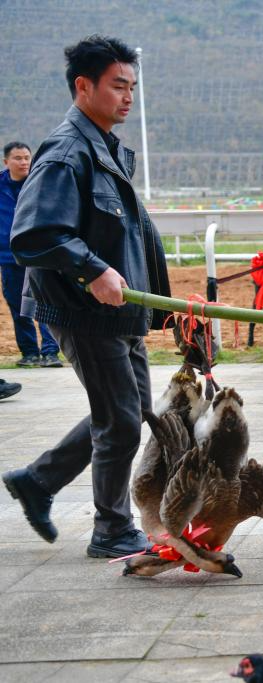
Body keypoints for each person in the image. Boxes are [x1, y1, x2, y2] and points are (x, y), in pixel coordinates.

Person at [2, 35, 172, 557]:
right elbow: (33, 235)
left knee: (132, 410)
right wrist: (92, 270)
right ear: (84, 86)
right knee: (120, 420)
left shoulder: (105, 148)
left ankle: (38, 480)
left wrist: (161, 306)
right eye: (118, 86)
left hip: (120, 310)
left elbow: (128, 234)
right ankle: (111, 530)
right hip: (82, 309)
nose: (128, 97)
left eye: (132, 87)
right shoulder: (66, 152)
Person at [2, 142, 62, 369]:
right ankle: (29, 353)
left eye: (27, 157)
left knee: (44, 303)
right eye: (18, 158)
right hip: (9, 258)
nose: (24, 162)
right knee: (18, 306)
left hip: (40, 255)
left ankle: (50, 352)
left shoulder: (40, 182)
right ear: (6, 161)